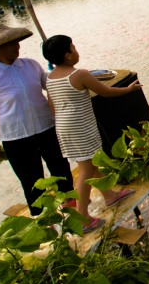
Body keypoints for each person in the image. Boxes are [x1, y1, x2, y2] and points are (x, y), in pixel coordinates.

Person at [42, 34, 137, 231]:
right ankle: (82, 217)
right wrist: (128, 89)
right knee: (85, 170)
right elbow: (105, 91)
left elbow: (52, 107)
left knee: (91, 162)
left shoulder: (50, 78)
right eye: (73, 48)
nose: (76, 51)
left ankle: (109, 195)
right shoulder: (80, 75)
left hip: (63, 127)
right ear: (67, 55)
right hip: (81, 127)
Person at [0, 24, 74, 213]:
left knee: (61, 170)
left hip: (45, 126)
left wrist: (74, 78)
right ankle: (45, 225)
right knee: (31, 181)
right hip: (16, 137)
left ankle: (74, 211)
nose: (17, 47)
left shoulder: (30, 65)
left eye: (17, 42)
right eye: (11, 44)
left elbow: (50, 83)